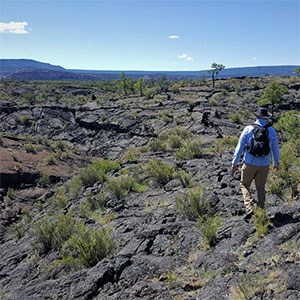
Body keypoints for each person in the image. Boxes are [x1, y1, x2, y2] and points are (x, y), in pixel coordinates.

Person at [231, 107, 280, 220]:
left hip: (249, 163)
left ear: (256, 116)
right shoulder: (271, 130)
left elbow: (240, 147)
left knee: (244, 184)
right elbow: (275, 148)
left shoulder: (248, 129)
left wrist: (234, 162)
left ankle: (249, 207)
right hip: (264, 165)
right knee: (261, 188)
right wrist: (276, 163)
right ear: (266, 117)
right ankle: (261, 212)